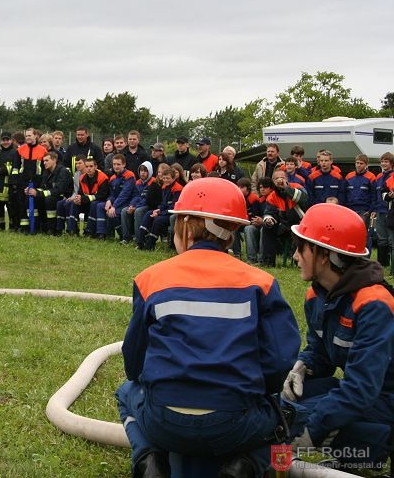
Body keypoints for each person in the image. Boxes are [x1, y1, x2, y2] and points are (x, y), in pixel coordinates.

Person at [116, 177, 302, 478]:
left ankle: (148, 459)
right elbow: (279, 360)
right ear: (231, 232)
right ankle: (246, 465)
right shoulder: (262, 283)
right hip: (235, 425)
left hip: (164, 423)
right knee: (285, 415)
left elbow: (134, 360)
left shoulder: (151, 278)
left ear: (187, 227)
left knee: (126, 391)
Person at [285, 203, 394, 471]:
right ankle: (357, 451)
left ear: (325, 255)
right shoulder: (316, 296)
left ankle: (371, 448)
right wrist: (303, 366)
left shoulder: (374, 304)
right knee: (282, 404)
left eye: (300, 247)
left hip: (384, 398)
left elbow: (361, 389)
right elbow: (321, 352)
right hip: (368, 394)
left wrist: (313, 429)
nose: (295, 256)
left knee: (304, 416)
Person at [259, 168, 308, 267]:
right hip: (284, 225)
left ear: (287, 179)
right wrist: (269, 219)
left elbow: (303, 198)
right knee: (267, 227)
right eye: (276, 178)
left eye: (282, 177)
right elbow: (269, 212)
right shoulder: (272, 196)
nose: (279, 180)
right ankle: (268, 262)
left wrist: (286, 187)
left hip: (299, 223)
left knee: (301, 232)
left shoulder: (297, 187)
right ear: (273, 181)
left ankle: (300, 262)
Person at [136, 164, 182, 250]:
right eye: (164, 178)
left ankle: (150, 244)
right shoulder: (164, 187)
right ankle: (140, 241)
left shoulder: (177, 189)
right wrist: (158, 210)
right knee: (148, 214)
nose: (165, 180)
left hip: (172, 213)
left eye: (168, 178)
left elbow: (173, 206)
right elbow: (163, 203)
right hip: (164, 211)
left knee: (158, 220)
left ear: (173, 178)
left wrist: (160, 212)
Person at [29, 151, 72, 235]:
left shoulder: (63, 171)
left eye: (47, 160)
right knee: (35, 198)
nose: (44, 163)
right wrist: (33, 191)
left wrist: (39, 193)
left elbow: (59, 190)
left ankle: (52, 228)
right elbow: (43, 188)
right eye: (43, 161)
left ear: (54, 160)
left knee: (49, 200)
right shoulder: (46, 172)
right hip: (51, 195)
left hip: (64, 197)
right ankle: (37, 226)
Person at [95, 154, 135, 240]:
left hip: (127, 203)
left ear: (124, 164)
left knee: (113, 212)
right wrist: (109, 201)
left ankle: (124, 235)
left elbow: (125, 194)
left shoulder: (129, 175)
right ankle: (102, 233)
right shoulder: (113, 178)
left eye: (118, 164)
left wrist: (114, 206)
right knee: (100, 206)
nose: (116, 166)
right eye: (114, 164)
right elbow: (112, 194)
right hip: (116, 202)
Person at [16, 128, 48, 233]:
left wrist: (42, 182)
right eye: (26, 136)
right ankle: (24, 228)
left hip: (37, 181)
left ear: (35, 136)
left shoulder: (43, 150)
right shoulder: (20, 150)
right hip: (22, 181)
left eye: (30, 135)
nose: (28, 137)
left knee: (36, 205)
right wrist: (16, 181)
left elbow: (45, 168)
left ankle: (35, 227)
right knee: (22, 205)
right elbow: (16, 167)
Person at [0, 132, 20, 231]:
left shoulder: (15, 153)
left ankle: (13, 227)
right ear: (0, 141)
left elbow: (17, 168)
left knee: (12, 208)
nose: (5, 142)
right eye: (3, 140)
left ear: (11, 141)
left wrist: (5, 169)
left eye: (7, 140)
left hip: (10, 185)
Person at [120, 161, 154, 244]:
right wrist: (131, 205)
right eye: (141, 170)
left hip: (149, 205)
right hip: (138, 205)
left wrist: (135, 207)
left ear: (150, 172)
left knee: (138, 211)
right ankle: (126, 238)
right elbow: (135, 196)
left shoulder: (153, 182)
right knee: (124, 211)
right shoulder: (138, 182)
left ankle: (139, 239)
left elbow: (147, 199)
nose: (142, 173)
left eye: (145, 171)